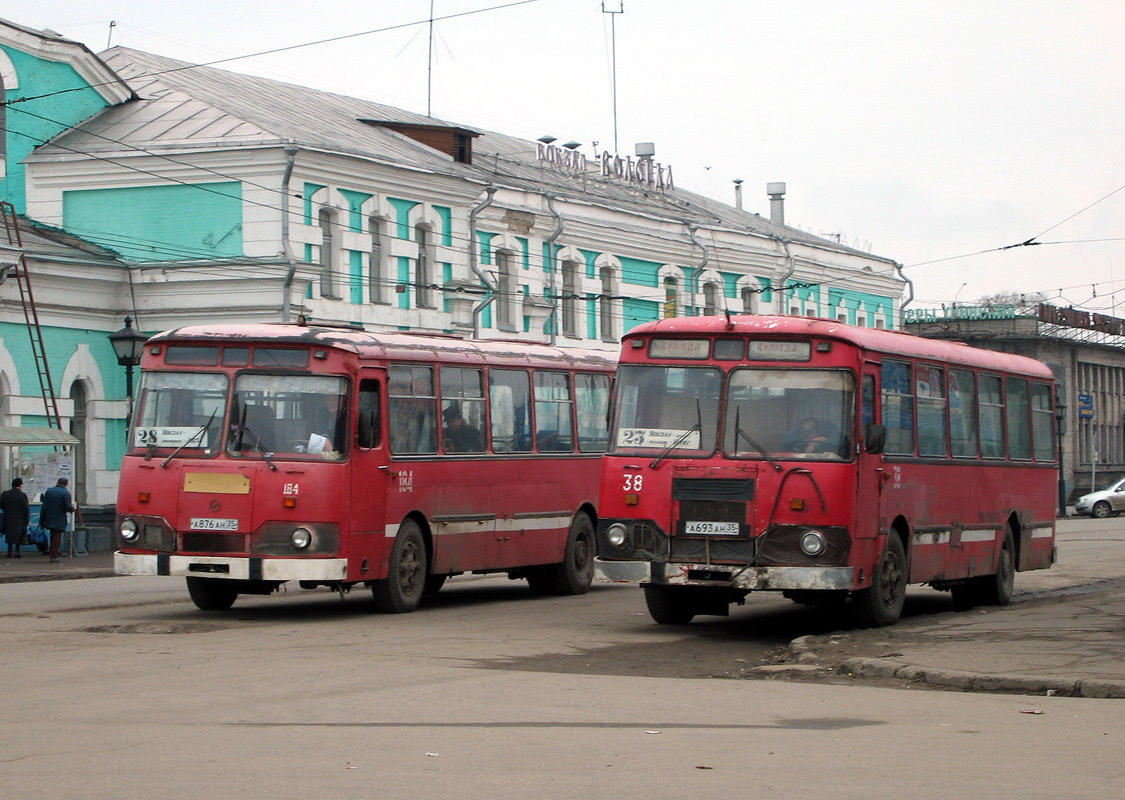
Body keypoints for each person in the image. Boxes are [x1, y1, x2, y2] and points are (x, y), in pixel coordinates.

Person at [40, 477, 79, 563]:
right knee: (57, 537)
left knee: (52, 536)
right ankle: (54, 555)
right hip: (59, 518)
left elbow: (44, 506)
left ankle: (52, 552)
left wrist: (42, 519)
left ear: (57, 482)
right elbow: (68, 507)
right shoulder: (66, 493)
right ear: (66, 484)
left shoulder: (49, 491)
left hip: (49, 517)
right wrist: (73, 509)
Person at [1, 477, 30, 559]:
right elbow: (25, 508)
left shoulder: (5, 494)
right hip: (19, 518)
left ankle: (9, 551)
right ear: (20, 485)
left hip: (8, 517)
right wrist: (26, 520)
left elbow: (1, 504)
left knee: (9, 535)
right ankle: (17, 551)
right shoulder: (22, 495)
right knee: (19, 535)